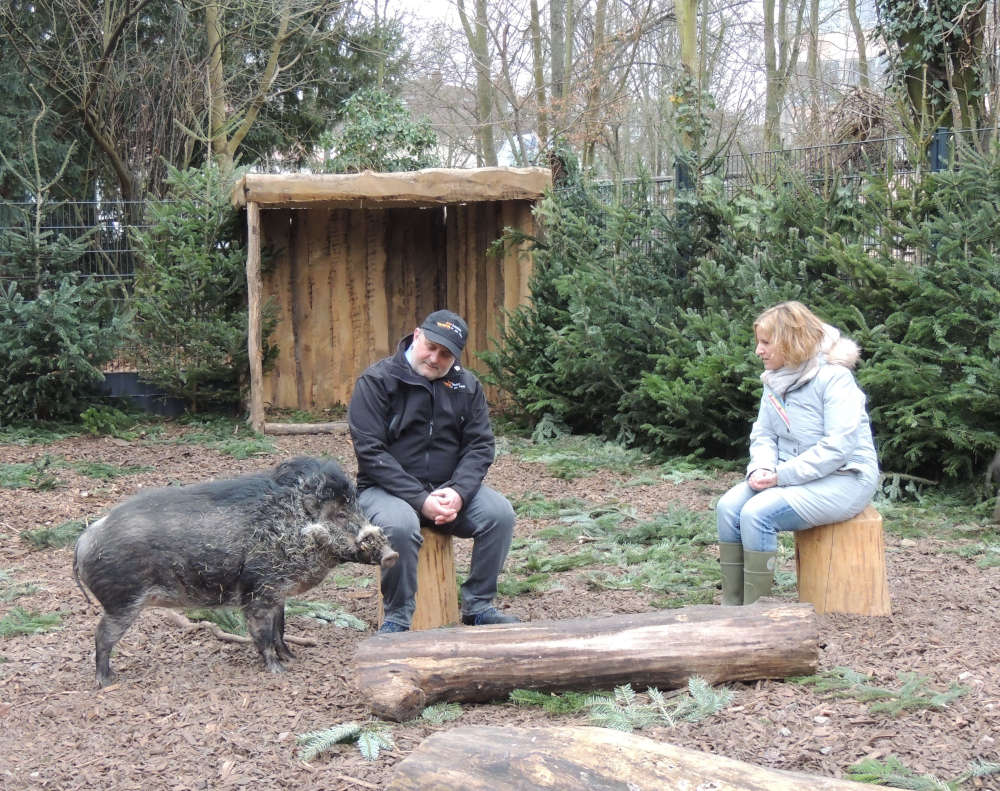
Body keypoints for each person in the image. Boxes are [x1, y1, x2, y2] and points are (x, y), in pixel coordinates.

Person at [348, 309, 519, 632]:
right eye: (431, 347)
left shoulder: (466, 386)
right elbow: (371, 453)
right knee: (399, 526)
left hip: (447, 489)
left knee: (499, 514)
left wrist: (458, 492)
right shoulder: (377, 381)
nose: (435, 358)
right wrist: (419, 499)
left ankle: (478, 605)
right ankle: (398, 617)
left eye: (446, 354)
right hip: (383, 491)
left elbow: (480, 445)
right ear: (416, 336)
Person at [716, 301, 879, 606]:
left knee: (757, 513)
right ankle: (732, 607)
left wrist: (782, 475)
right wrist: (761, 468)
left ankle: (756, 614)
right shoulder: (776, 378)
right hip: (788, 473)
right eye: (758, 343)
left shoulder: (835, 379)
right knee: (728, 507)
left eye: (766, 343)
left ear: (791, 341)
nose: (758, 351)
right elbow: (763, 433)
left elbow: (837, 449)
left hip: (846, 477)